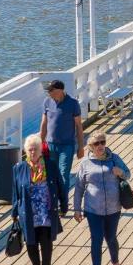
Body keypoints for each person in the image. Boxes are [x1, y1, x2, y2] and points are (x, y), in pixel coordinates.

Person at [74, 132, 131, 265]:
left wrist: (121, 173)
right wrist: (77, 209)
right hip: (93, 209)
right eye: (96, 144)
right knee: (96, 239)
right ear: (90, 147)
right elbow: (79, 188)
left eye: (102, 142)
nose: (100, 146)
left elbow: (128, 173)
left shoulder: (114, 158)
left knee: (111, 237)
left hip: (113, 207)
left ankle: (115, 262)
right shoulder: (85, 164)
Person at [13, 134, 66, 265]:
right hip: (28, 212)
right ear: (25, 151)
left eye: (35, 149)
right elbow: (15, 192)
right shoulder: (19, 168)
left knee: (46, 241)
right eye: (29, 150)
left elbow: (60, 186)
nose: (32, 153)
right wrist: (14, 212)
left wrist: (64, 204)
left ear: (40, 150)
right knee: (31, 242)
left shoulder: (50, 165)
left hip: (46, 211)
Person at [38, 79, 82, 212]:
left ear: (60, 90)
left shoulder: (73, 103)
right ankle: (54, 203)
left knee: (63, 174)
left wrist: (81, 147)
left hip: (67, 145)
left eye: (51, 90)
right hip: (50, 145)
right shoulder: (47, 102)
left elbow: (79, 126)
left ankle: (63, 204)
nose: (49, 93)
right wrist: (40, 143)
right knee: (51, 175)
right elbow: (44, 124)